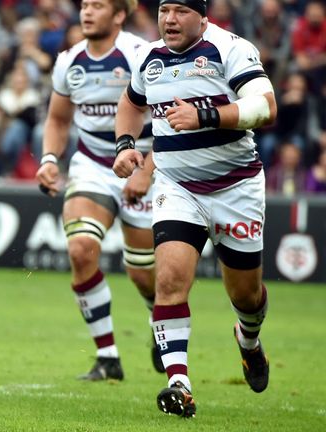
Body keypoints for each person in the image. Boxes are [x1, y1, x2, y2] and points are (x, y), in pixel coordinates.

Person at [113, 0, 277, 418]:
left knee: (245, 295)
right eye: (164, 10)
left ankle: (249, 341)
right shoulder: (149, 58)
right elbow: (131, 105)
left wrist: (205, 115)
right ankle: (178, 383)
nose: (169, 19)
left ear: (203, 17)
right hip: (177, 186)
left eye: (180, 11)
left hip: (235, 187)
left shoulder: (230, 48)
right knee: (168, 280)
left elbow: (265, 107)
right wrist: (126, 147)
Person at [36, 0, 162, 382]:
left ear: (119, 15)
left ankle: (163, 319)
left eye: (98, 5)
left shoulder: (142, 56)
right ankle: (108, 356)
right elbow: (58, 119)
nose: (87, 12)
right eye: (85, 5)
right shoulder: (69, 62)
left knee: (143, 274)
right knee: (80, 249)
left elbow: (171, 119)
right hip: (92, 165)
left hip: (145, 165)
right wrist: (48, 159)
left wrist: (148, 170)